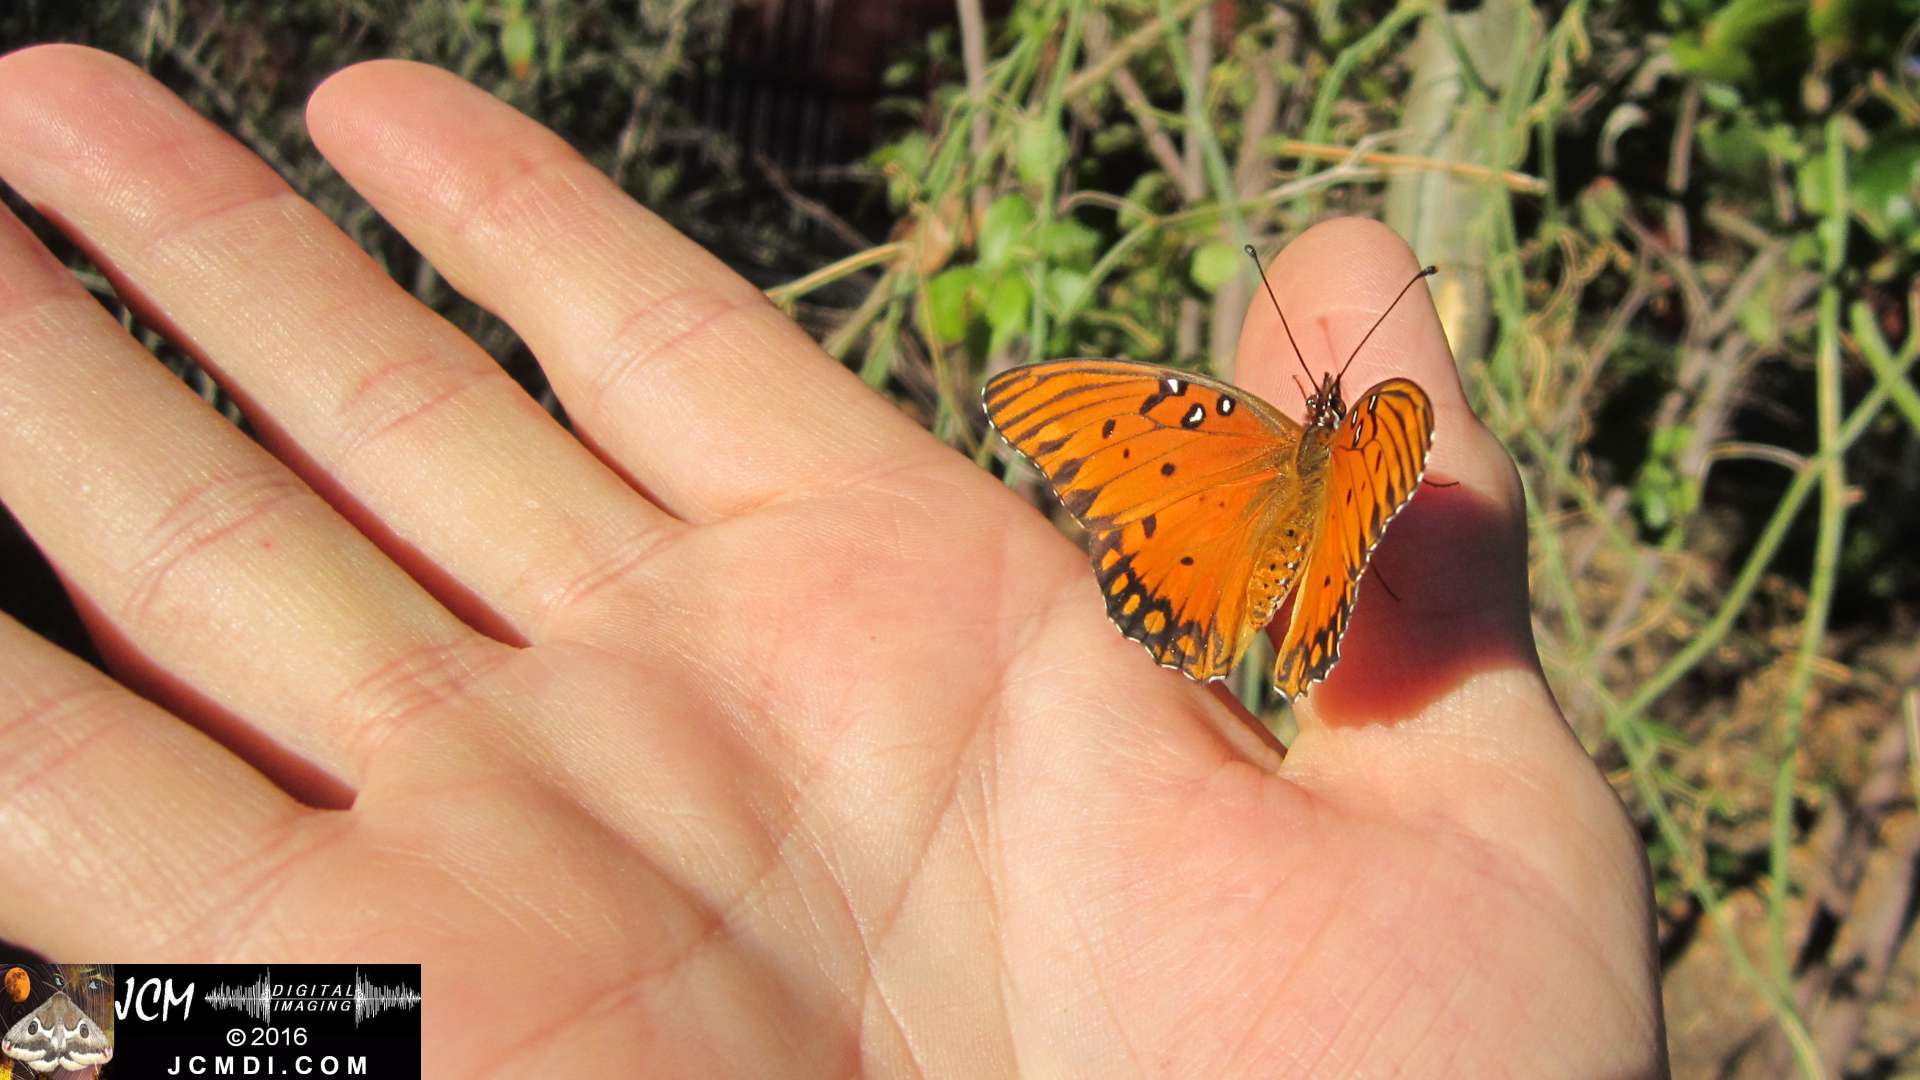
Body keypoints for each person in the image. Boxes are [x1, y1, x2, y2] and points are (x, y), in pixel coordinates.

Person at [0, 45, 1666, 1075]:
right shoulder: (1343, 437)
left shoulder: (1270, 435)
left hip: (1260, 576)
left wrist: (112, 1050)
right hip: (1275, 580)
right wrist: (98, 1048)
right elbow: (129, 1045)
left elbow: (132, 1047)